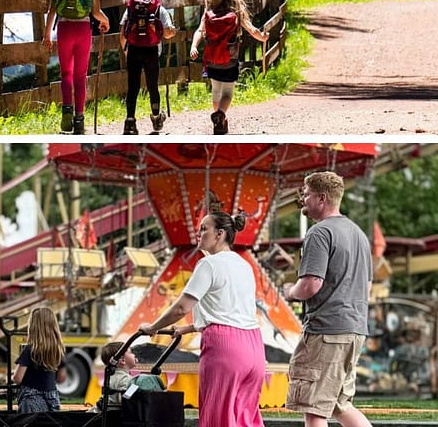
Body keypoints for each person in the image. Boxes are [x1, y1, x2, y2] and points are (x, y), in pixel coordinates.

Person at [138, 211, 264, 427]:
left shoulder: (209, 264)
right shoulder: (244, 265)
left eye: (204, 229)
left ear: (220, 234)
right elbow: (230, 311)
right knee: (246, 418)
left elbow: (181, 307)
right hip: (254, 348)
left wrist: (153, 327)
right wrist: (187, 329)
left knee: (218, 417)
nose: (198, 233)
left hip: (225, 348)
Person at [283, 171, 373, 427]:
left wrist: (289, 292)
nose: (303, 199)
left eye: (306, 194)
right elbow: (366, 286)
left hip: (326, 331)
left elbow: (311, 284)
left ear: (321, 198)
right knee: (340, 404)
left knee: (314, 408)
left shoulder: (320, 233)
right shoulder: (358, 234)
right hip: (355, 330)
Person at [189, 0, 269, 134]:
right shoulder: (236, 9)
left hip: (212, 60)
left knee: (216, 90)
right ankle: (221, 115)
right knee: (227, 92)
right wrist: (262, 37)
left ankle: (218, 122)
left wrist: (193, 46)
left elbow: (200, 30)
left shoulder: (209, 10)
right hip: (230, 60)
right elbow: (250, 28)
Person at [42, 0, 111, 135]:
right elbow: (96, 13)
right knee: (80, 76)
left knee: (66, 73)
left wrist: (47, 34)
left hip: (64, 29)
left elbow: (52, 10)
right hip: (83, 29)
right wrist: (106, 21)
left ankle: (66, 111)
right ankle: (79, 119)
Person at [119, 0, 177, 135]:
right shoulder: (159, 8)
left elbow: (123, 34)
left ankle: (130, 122)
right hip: (152, 51)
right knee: (152, 86)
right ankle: (157, 118)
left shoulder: (131, 8)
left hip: (134, 50)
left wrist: (126, 51)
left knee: (133, 87)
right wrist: (172, 32)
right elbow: (167, 33)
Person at [11, 306, 65, 413]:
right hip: (52, 399)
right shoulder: (58, 350)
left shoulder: (29, 349)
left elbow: (18, 378)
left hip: (31, 399)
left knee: (32, 420)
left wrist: (12, 376)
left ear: (33, 327)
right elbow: (61, 378)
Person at [94, 342, 135, 412]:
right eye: (131, 352)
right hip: (116, 414)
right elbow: (125, 399)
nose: (134, 355)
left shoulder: (109, 377)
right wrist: (135, 387)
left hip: (105, 411)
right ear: (123, 360)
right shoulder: (126, 378)